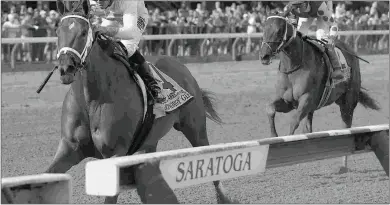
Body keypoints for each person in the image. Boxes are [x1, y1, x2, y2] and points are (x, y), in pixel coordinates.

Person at [90, 0, 165, 103]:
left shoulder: (128, 1)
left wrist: (105, 29)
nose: (98, 2)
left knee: (126, 47)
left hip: (136, 16)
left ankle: (153, 85)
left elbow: (130, 33)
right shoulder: (95, 3)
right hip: (112, 15)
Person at [283, 1, 343, 80]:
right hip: (307, 12)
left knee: (323, 38)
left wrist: (331, 38)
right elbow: (293, 27)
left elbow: (333, 24)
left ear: (305, 4)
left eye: (298, 6)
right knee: (299, 35)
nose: (296, 10)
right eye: (295, 7)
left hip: (321, 8)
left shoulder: (320, 7)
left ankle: (337, 68)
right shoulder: (291, 8)